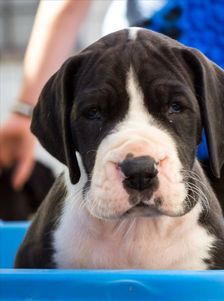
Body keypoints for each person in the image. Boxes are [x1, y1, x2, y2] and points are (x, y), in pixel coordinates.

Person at [0, 0, 166, 190]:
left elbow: (67, 7)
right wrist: (26, 112)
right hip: (125, 70)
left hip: (125, 64)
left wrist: (24, 112)